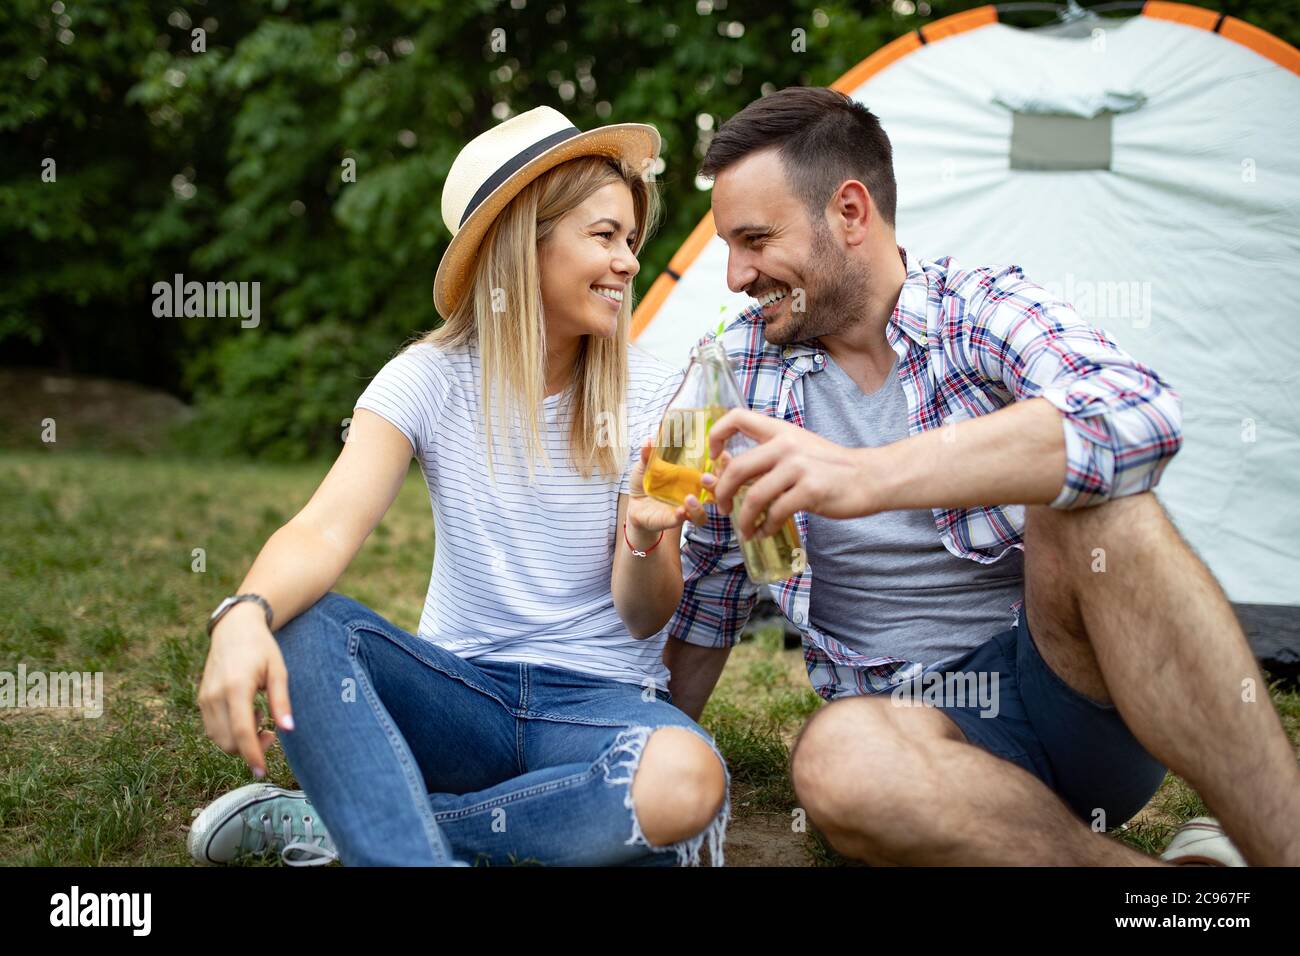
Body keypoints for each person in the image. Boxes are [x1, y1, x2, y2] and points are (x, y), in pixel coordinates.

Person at [661, 86, 1300, 866]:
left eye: (755, 239)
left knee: (1098, 504)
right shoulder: (732, 373)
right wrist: (654, 758)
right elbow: (707, 593)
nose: (734, 275)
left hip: (1068, 689)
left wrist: (867, 476)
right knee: (834, 758)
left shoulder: (978, 307)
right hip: (911, 732)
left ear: (851, 213)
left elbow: (1137, 416)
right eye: (727, 245)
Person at [188, 106, 730, 867]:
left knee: (684, 784)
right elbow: (324, 529)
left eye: (632, 241)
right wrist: (244, 611)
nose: (630, 263)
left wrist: (645, 536)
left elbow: (645, 619)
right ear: (521, 242)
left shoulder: (656, 389)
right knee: (300, 622)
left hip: (598, 710)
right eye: (605, 236)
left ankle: (361, 827)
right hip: (456, 699)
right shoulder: (428, 378)